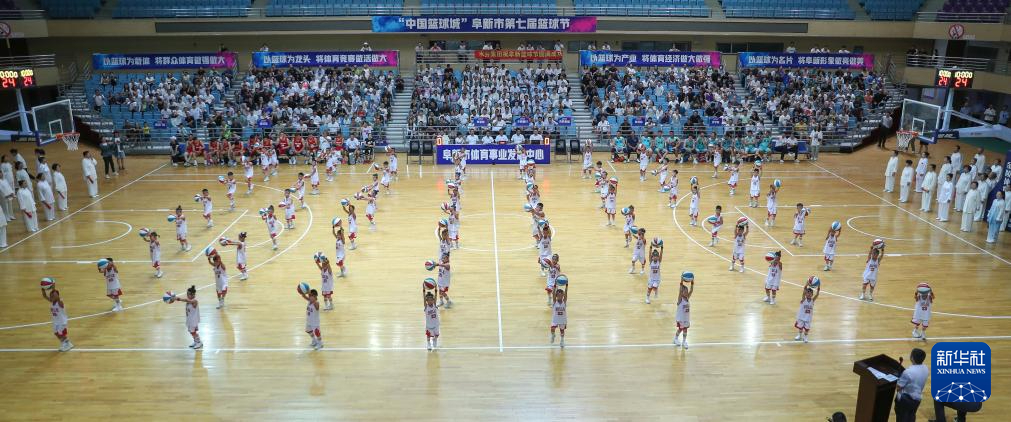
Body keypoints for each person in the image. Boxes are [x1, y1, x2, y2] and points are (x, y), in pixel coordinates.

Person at [894, 348, 929, 422]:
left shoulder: (908, 372)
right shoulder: (926, 368)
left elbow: (898, 387)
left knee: (901, 418)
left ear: (912, 358)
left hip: (904, 400)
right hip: (917, 399)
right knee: (911, 416)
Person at [42, 285, 73, 352]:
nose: (51, 297)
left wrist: (53, 289)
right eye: (51, 296)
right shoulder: (52, 302)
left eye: (53, 296)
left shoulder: (60, 302)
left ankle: (67, 344)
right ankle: (66, 343)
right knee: (56, 333)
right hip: (55, 321)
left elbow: (57, 297)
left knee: (61, 333)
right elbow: (44, 296)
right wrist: (43, 288)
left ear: (57, 296)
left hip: (62, 321)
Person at [673, 271, 694, 349]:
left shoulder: (687, 298)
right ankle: (675, 338)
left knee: (685, 330)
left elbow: (691, 290)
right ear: (682, 293)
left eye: (686, 291)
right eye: (685, 291)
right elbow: (680, 289)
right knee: (680, 329)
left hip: (686, 318)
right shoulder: (680, 300)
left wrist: (692, 282)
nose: (686, 292)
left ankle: (684, 341)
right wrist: (681, 280)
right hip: (681, 318)